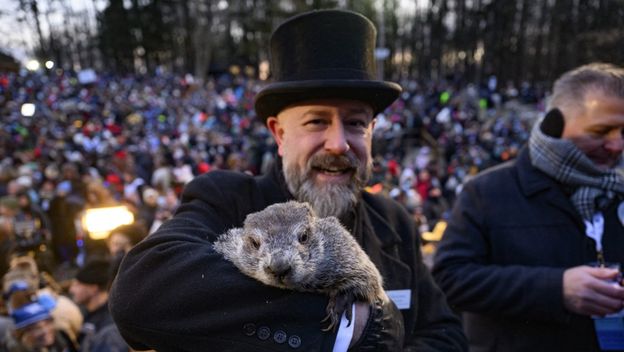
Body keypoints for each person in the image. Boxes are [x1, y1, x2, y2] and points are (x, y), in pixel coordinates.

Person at [109, 9, 466, 352]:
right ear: (279, 134)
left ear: (372, 131)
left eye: (356, 123)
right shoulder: (226, 198)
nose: (339, 143)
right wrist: (350, 333)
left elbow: (445, 334)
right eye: (316, 122)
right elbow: (139, 295)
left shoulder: (393, 221)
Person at [432, 62, 624, 352]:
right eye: (601, 131)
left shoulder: (617, 190)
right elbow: (449, 279)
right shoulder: (487, 192)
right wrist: (555, 289)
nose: (617, 145)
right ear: (554, 124)